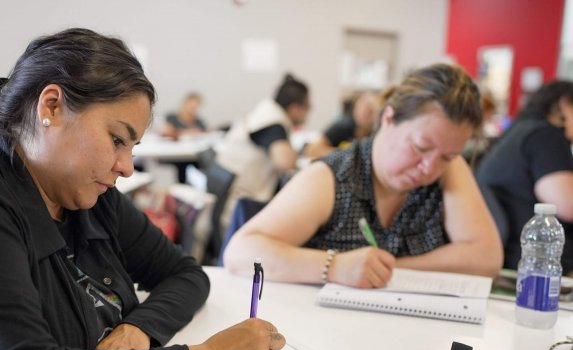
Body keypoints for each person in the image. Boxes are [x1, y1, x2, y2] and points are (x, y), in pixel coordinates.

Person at [0, 28, 285, 350]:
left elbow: (185, 273)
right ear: (50, 106)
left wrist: (139, 329)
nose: (127, 166)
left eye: (132, 148)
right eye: (117, 139)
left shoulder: (88, 200)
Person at [224, 63, 503, 287]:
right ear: (388, 118)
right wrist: (334, 267)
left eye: (447, 156)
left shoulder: (449, 171)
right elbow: (240, 253)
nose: (430, 168)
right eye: (420, 147)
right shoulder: (333, 178)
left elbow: (487, 259)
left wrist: (386, 269)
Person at [476, 80, 573, 276]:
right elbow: (567, 205)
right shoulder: (546, 136)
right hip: (536, 265)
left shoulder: (517, 131)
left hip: (512, 255)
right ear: (564, 105)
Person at [215, 73, 310, 229]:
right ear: (295, 108)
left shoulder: (266, 111)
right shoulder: (273, 122)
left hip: (233, 199)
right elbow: (285, 162)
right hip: (239, 210)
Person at [304, 90, 379, 159]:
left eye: (370, 110)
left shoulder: (376, 134)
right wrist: (344, 154)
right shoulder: (343, 126)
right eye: (362, 106)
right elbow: (312, 150)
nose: (364, 112)